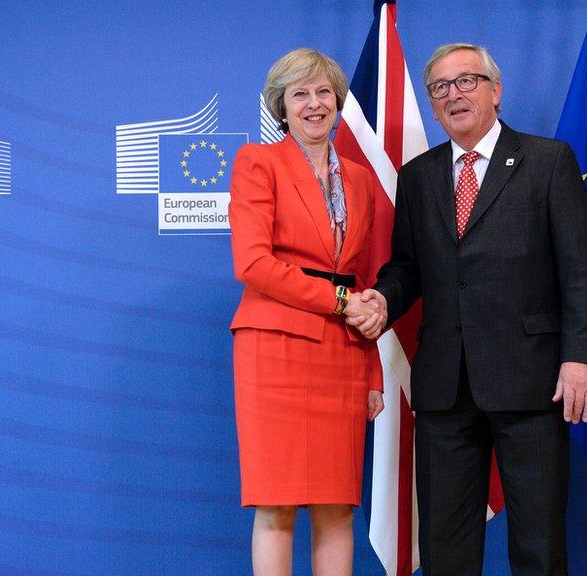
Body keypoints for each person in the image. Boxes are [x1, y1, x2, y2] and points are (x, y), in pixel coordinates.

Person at [350, 44, 587, 575]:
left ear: (496, 90)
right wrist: (382, 297)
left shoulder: (547, 161)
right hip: (445, 386)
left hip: (533, 381)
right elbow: (408, 269)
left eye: (466, 81)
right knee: (444, 546)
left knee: (538, 544)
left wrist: (583, 357)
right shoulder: (418, 177)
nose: (454, 95)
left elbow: (580, 270)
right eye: (441, 88)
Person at [228, 48, 386, 576]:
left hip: (343, 357)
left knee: (337, 504)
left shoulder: (362, 180)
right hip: (274, 351)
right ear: (282, 106)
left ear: (337, 100)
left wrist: (374, 369)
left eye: (323, 92)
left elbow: (361, 283)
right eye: (300, 94)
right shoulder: (258, 162)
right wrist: (340, 301)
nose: (314, 104)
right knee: (275, 505)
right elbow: (252, 264)